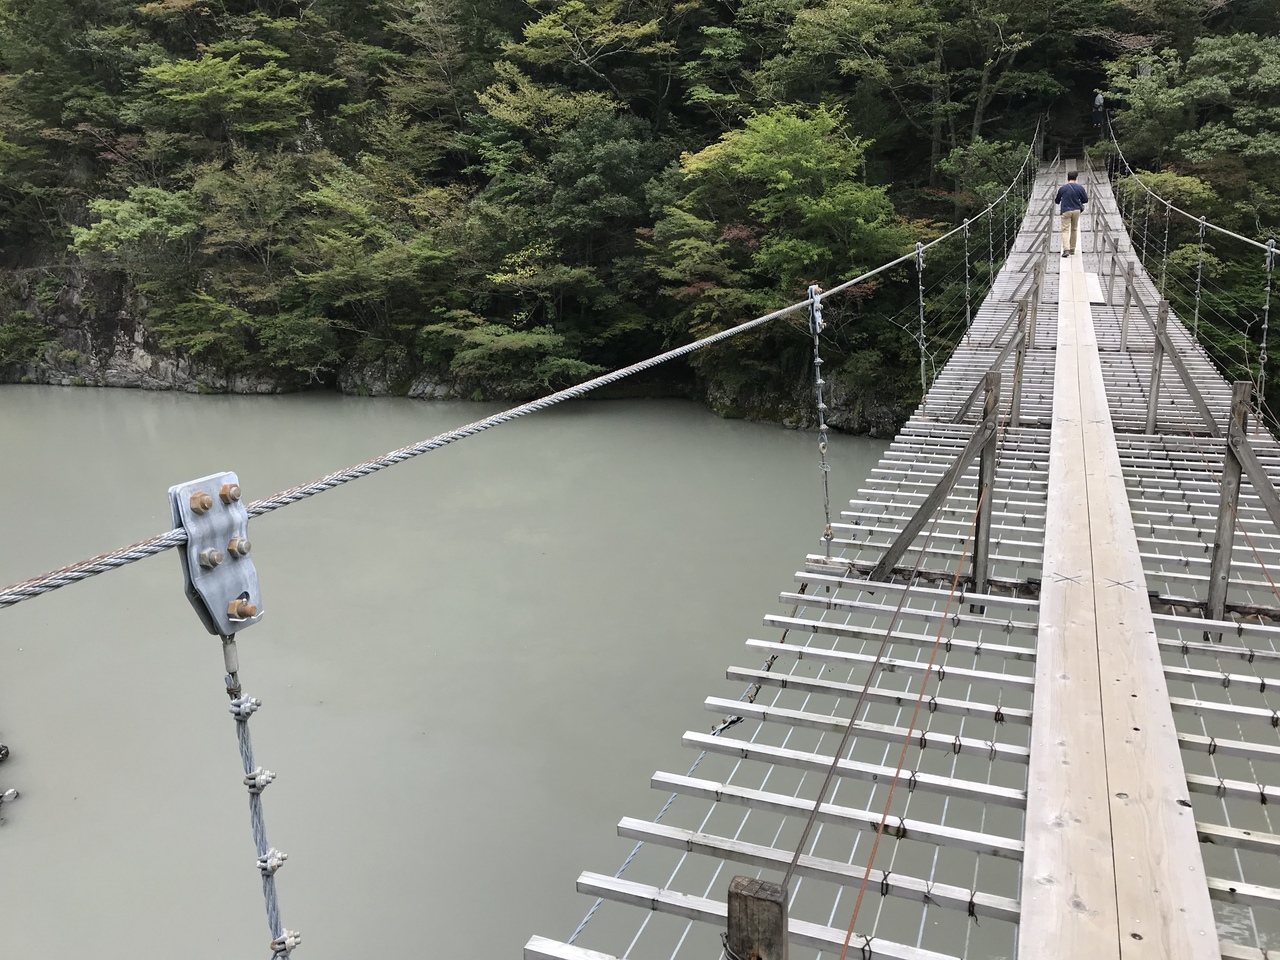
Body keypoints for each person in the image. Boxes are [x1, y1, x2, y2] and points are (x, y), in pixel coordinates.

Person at [1055, 171, 1089, 258]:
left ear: (1067, 178)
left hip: (1066, 210)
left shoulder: (1063, 188)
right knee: (1074, 229)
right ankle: (1072, 249)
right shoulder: (1080, 188)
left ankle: (1066, 249)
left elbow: (1057, 201)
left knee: (1065, 230)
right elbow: (1085, 200)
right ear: (1076, 178)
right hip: (1076, 210)